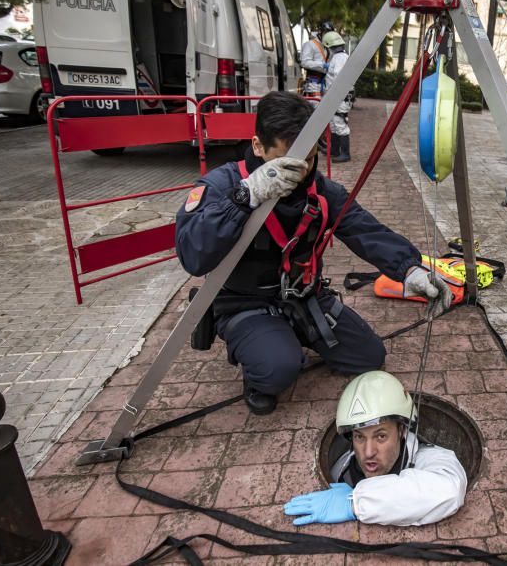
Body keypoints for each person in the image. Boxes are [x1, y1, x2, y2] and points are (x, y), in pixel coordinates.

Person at [175, 91, 452, 415]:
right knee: (277, 369)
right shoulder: (224, 186)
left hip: (304, 296)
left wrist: (410, 269)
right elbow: (192, 255)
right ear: (258, 146)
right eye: (286, 162)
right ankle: (261, 369)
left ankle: (290, 333)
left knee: (368, 357)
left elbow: (364, 229)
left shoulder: (320, 191)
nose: (300, 172)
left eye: (307, 161)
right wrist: (244, 198)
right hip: (243, 302)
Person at [283, 370, 467, 526]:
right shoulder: (342, 470)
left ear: (402, 430)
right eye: (359, 437)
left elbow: (450, 492)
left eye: (381, 436)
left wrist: (355, 503)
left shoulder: (433, 459)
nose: (368, 452)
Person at [321, 30, 353, 163]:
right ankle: (334, 149)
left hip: (339, 96)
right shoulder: (339, 57)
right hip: (336, 95)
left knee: (340, 124)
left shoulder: (340, 58)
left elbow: (339, 78)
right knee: (333, 123)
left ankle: (345, 154)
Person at [300, 19, 334, 98]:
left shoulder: (327, 47)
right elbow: (304, 62)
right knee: (315, 107)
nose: (328, 36)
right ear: (320, 31)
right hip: (312, 84)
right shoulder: (310, 44)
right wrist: (322, 65)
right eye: (326, 33)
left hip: (325, 83)